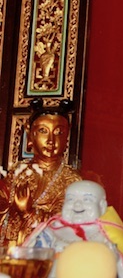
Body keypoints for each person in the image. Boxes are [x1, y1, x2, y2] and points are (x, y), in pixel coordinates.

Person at [24, 180, 123, 278]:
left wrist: (115, 259)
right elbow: (29, 266)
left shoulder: (110, 235)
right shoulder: (50, 232)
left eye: (87, 200)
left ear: (102, 206)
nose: (77, 204)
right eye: (70, 199)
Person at [0, 98, 81, 246]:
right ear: (30, 134)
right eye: (43, 131)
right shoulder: (18, 172)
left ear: (67, 137)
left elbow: (69, 225)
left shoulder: (72, 181)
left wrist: (28, 212)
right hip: (11, 249)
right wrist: (10, 208)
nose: (51, 140)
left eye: (59, 132)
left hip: (46, 252)